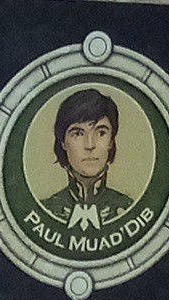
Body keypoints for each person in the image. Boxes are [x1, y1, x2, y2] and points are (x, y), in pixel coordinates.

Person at [37, 86, 133, 234]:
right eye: (78, 133)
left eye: (101, 133)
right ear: (63, 143)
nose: (90, 145)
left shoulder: (128, 208)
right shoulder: (45, 210)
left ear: (111, 141)